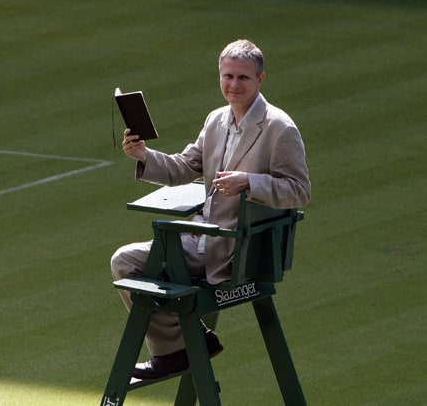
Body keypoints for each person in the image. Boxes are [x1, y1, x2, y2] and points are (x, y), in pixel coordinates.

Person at [111, 39, 311, 379]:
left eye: (243, 78)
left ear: (260, 79)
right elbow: (183, 167)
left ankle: (181, 349)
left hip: (238, 249)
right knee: (126, 261)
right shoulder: (217, 119)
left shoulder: (280, 127)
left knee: (126, 262)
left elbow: (299, 191)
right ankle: (185, 347)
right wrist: (143, 155)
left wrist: (249, 182)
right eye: (228, 76)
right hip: (203, 236)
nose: (234, 85)